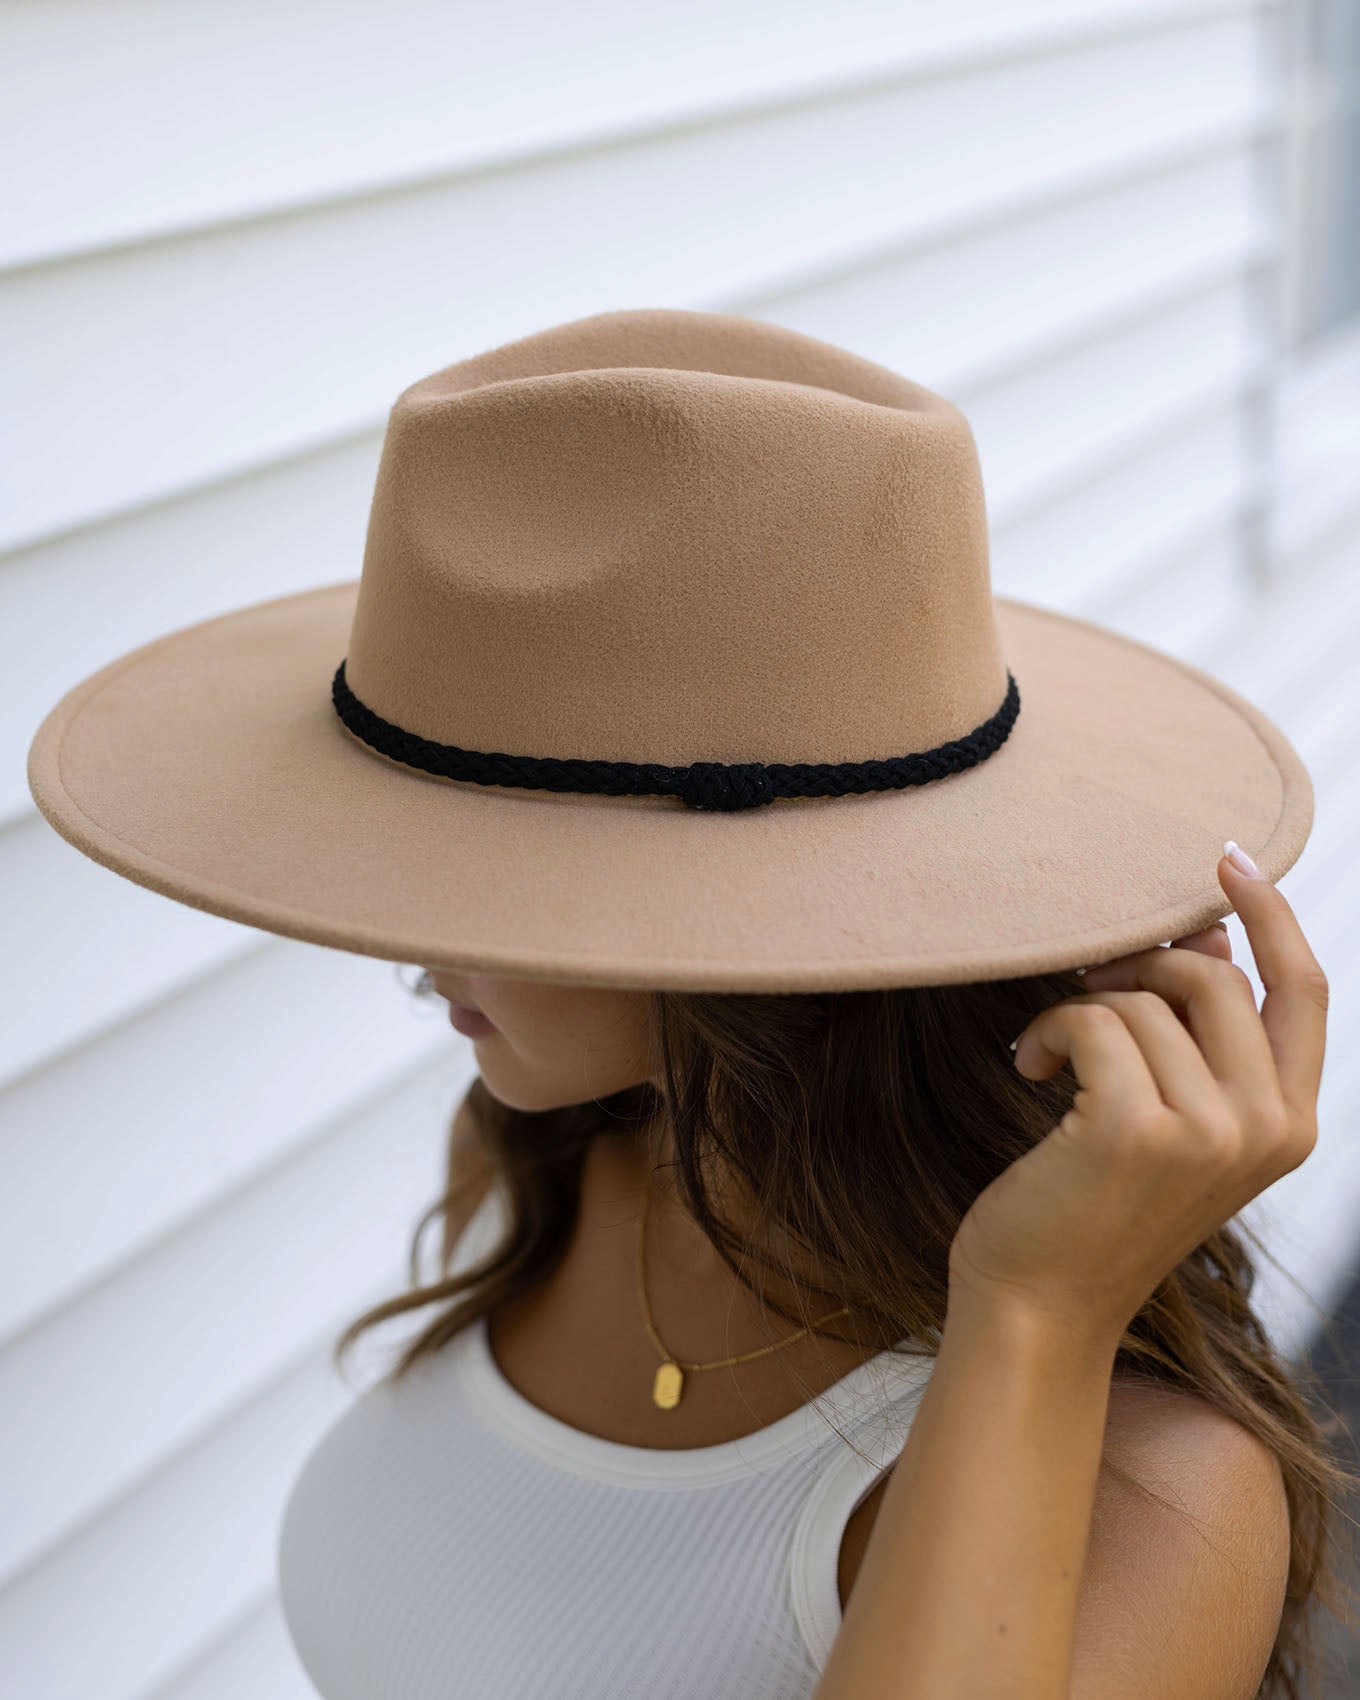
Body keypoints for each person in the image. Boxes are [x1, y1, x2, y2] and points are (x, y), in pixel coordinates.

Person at [26, 307, 1353, 1700]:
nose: (407, 945)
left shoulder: (1152, 1494)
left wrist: (1032, 1314)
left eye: (491, 869)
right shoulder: (553, 1156)